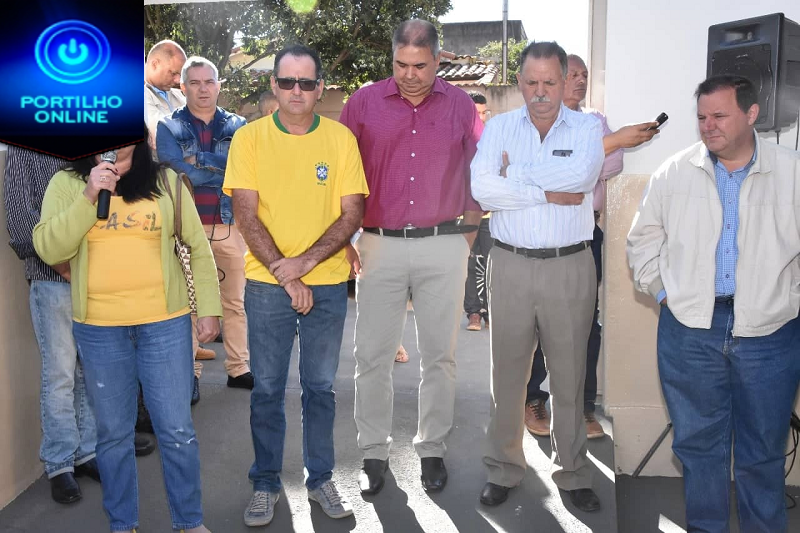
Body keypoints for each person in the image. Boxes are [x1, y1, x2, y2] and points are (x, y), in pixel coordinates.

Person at [627, 75, 800, 532]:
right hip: (690, 332)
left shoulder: (792, 172)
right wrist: (666, 295)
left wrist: (791, 299)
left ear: (752, 114)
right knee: (699, 450)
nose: (708, 126)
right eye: (702, 117)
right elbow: (642, 241)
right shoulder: (673, 171)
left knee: (762, 453)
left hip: (769, 333)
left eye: (720, 115)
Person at [33, 130, 221, 533]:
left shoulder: (166, 182)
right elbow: (49, 249)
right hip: (100, 329)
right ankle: (123, 524)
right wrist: (88, 197)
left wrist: (208, 309)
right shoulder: (67, 183)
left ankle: (189, 522)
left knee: (177, 431)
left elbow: (197, 248)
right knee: (113, 435)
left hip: (164, 323)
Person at [224, 44, 369, 527]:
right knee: (266, 389)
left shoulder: (341, 139)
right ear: (274, 85)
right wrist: (287, 275)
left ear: (320, 88)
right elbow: (245, 214)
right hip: (267, 288)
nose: (296, 92)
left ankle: (321, 477)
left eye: (307, 83)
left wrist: (301, 266)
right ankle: (265, 482)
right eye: (287, 82)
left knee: (320, 389)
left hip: (325, 285)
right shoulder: (249, 139)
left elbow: (352, 214)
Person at [340, 19, 483, 495]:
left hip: (444, 243)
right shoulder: (362, 103)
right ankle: (373, 454)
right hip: (378, 243)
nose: (409, 74)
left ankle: (432, 450)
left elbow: (479, 171)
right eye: (400, 64)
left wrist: (465, 236)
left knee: (440, 357)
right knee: (372, 357)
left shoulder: (461, 105)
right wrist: (345, 237)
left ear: (438, 61)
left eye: (420, 66)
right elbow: (343, 174)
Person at [471, 41, 605, 511]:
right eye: (532, 83)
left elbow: (582, 177)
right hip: (508, 263)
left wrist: (518, 177)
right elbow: (481, 187)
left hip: (570, 265)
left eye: (551, 82)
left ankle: (573, 473)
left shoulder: (589, 127)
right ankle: (504, 469)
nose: (541, 93)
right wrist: (546, 189)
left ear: (566, 79)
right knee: (506, 375)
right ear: (521, 81)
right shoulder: (500, 127)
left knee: (568, 378)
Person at [3, 147, 157, 505]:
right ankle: (60, 464)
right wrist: (67, 270)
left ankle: (88, 452)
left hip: (100, 281)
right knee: (60, 375)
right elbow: (21, 223)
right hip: (53, 281)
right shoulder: (24, 147)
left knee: (92, 372)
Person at [523, 54, 660, 440]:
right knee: (537, 321)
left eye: (585, 75)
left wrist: (576, 168)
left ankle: (583, 408)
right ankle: (533, 399)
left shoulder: (595, 121)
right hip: (543, 233)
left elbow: (611, 164)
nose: (581, 81)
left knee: (586, 321)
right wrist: (578, 167)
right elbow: (548, 170)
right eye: (574, 75)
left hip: (586, 232)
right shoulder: (538, 122)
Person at [158, 56, 252, 397]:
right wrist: (218, 169)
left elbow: (242, 172)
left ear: (218, 85)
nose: (202, 89)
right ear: (182, 87)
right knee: (189, 305)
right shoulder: (167, 127)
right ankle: (192, 375)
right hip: (185, 229)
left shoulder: (239, 125)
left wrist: (202, 161)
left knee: (235, 302)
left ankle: (239, 368)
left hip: (228, 226)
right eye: (194, 83)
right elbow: (175, 174)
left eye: (208, 82)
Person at [464, 90, 493, 331]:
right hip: (466, 215)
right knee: (471, 264)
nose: (481, 118)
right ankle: (473, 313)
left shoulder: (495, 137)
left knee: (493, 264)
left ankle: (491, 312)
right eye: (477, 113)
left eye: (484, 113)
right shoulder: (458, 139)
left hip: (492, 216)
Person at [145, 40, 187, 148]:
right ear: (155, 65)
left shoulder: (176, 94)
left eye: (180, 74)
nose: (178, 80)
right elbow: (160, 135)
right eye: (173, 73)